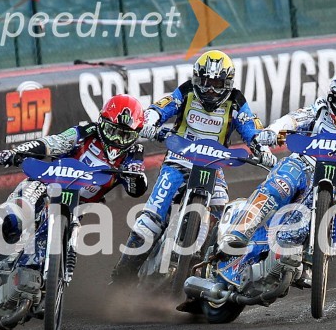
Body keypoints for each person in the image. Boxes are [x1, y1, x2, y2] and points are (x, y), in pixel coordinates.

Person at [218, 67, 336, 287]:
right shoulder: (318, 112)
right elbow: (291, 120)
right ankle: (239, 231)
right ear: (332, 97)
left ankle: (308, 263)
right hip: (300, 165)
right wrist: (272, 131)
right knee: (282, 182)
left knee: (330, 210)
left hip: (328, 184)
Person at [0, 94, 149, 273]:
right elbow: (52, 142)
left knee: (68, 243)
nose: (117, 140)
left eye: (125, 136)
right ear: (101, 122)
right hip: (44, 186)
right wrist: (17, 152)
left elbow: (136, 187)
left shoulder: (134, 153)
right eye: (112, 131)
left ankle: (44, 282)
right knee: (16, 213)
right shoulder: (84, 132)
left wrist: (134, 177)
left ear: (136, 134)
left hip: (76, 207)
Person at [111, 49, 277, 281]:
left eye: (216, 84)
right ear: (197, 78)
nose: (210, 90)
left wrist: (263, 149)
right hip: (178, 159)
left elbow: (251, 127)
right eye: (205, 82)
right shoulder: (186, 91)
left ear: (227, 83)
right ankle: (122, 276)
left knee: (220, 210)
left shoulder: (236, 101)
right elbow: (161, 107)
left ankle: (205, 268)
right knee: (151, 217)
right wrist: (149, 122)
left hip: (212, 165)